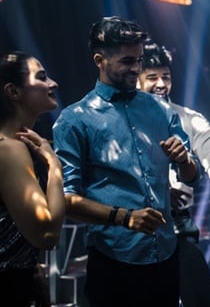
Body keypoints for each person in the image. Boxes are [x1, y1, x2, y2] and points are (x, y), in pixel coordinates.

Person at [53, 16, 199, 306]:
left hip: (165, 254)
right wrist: (125, 217)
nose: (136, 68)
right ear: (99, 60)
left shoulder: (160, 110)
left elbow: (193, 177)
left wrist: (184, 160)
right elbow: (67, 201)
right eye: (127, 61)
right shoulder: (74, 120)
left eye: (139, 59)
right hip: (112, 260)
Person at [137, 41, 210, 307]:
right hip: (139, 228)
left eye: (166, 76)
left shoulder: (192, 120)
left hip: (193, 226)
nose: (162, 83)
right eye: (152, 77)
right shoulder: (124, 119)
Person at [0, 51, 65, 306]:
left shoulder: (15, 146)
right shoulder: (9, 149)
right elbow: (47, 235)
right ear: (13, 92)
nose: (53, 84)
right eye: (41, 77)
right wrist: (54, 166)